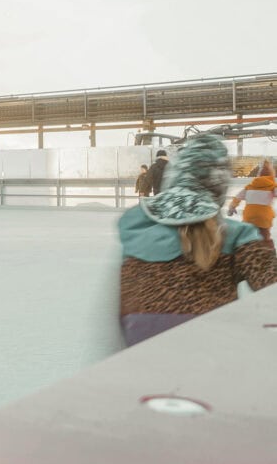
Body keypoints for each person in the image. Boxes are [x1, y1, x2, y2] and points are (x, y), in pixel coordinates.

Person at [118, 134, 277, 346]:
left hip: (142, 354)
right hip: (210, 351)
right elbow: (271, 284)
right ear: (219, 185)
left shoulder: (139, 230)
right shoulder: (235, 236)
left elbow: (123, 313)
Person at [228, 159, 275, 248]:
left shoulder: (250, 186)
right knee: (265, 239)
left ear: (258, 175)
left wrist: (232, 207)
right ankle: (267, 254)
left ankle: (248, 250)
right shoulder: (272, 186)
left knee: (247, 237)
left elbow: (237, 197)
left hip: (249, 216)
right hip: (264, 218)